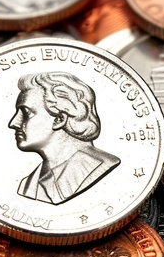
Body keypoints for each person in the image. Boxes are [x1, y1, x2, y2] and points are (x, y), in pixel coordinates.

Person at [9, 72, 120, 205]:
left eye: (26, 113)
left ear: (59, 119)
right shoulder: (27, 184)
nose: (13, 123)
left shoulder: (98, 166)